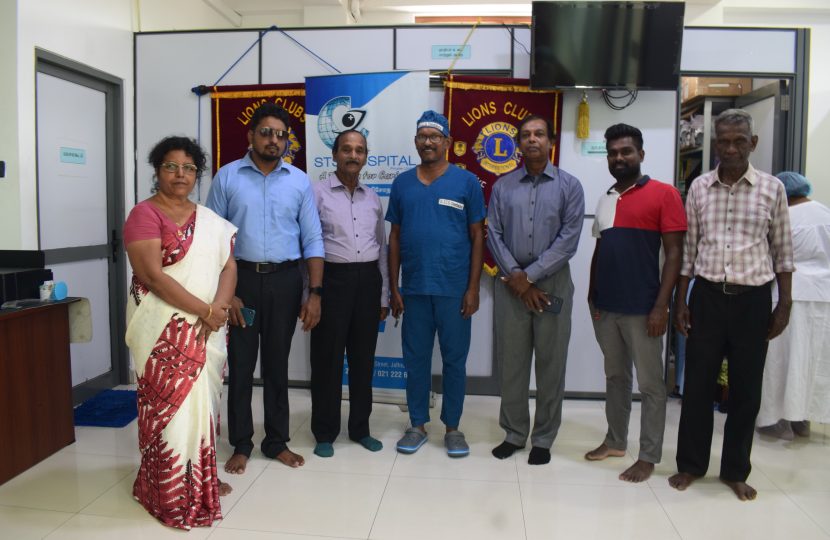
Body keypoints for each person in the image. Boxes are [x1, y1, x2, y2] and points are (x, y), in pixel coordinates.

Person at [670, 109, 794, 501]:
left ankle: (736, 471)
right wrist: (681, 300)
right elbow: (689, 251)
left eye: (739, 141)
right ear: (715, 143)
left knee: (746, 390)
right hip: (706, 297)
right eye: (723, 140)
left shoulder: (772, 188)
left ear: (752, 143)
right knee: (697, 387)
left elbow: (783, 252)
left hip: (753, 301)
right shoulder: (699, 187)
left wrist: (784, 304)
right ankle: (691, 465)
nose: (730, 148)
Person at [124, 136, 237, 529]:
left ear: (197, 174)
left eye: (189, 168)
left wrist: (218, 308)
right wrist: (205, 310)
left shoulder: (210, 221)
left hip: (207, 328)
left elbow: (228, 266)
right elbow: (153, 277)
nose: (180, 174)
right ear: (157, 170)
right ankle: (167, 490)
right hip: (162, 332)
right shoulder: (144, 214)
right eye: (171, 166)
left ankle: (201, 479)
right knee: (169, 413)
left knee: (203, 407)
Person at [206, 103, 324, 473]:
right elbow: (212, 239)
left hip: (286, 281)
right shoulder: (227, 177)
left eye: (281, 135)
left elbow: (312, 239)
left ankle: (276, 442)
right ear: (251, 136)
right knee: (241, 365)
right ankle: (241, 443)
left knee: (277, 364)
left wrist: (315, 293)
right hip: (240, 280)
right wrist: (227, 293)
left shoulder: (299, 181)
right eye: (266, 132)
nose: (274, 140)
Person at [584, 124, 686, 482]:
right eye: (612, 152)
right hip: (606, 306)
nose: (619, 158)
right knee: (615, 377)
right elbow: (600, 250)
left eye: (626, 151)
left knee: (651, 385)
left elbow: (674, 255)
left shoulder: (664, 194)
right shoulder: (607, 197)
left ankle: (648, 455)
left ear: (641, 154)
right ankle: (615, 441)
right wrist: (592, 294)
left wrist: (662, 306)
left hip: (644, 308)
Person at [386, 110, 485, 457]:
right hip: (414, 289)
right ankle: (417, 424)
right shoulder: (402, 184)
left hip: (454, 290)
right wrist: (394, 287)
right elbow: (394, 237)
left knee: (455, 361)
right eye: (422, 136)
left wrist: (473, 288)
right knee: (415, 360)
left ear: (447, 142)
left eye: (434, 136)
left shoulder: (466, 182)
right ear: (416, 142)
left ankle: (453, 428)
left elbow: (477, 236)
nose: (428, 142)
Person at [487, 114, 585, 465]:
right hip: (510, 285)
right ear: (518, 143)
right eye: (526, 135)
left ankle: (543, 438)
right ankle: (514, 433)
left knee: (551, 364)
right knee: (511, 363)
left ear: (551, 141)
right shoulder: (502, 187)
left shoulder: (570, 186)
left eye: (539, 134)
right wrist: (517, 276)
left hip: (552, 282)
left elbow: (569, 239)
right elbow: (493, 233)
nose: (532, 139)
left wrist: (529, 277)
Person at [310, 130, 389, 458]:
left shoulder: (373, 198)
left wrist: (383, 294)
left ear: (365, 156)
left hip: (367, 281)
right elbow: (309, 246)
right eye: (347, 149)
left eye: (359, 150)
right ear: (334, 154)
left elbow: (381, 247)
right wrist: (310, 294)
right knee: (326, 359)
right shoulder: (316, 193)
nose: (353, 156)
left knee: (363, 359)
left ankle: (360, 428)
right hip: (332, 280)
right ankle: (325, 431)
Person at [756, 172, 830, 439]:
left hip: (788, 294)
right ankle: (803, 418)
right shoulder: (825, 214)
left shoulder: (785, 216)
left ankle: (774, 419)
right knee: (812, 360)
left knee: (780, 360)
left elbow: (771, 258)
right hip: (823, 297)